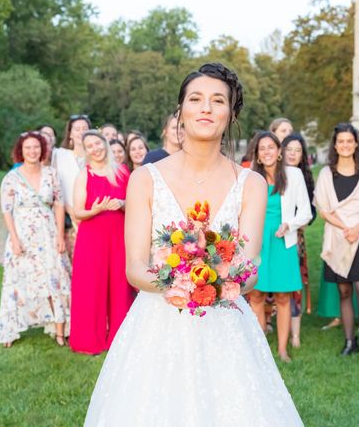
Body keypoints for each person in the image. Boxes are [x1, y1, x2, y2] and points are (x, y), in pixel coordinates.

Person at [84, 63, 304, 426]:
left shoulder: (251, 184)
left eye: (218, 101)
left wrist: (215, 283)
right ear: (180, 111)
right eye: (196, 99)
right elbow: (135, 267)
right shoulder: (144, 180)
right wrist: (183, 282)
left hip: (227, 328)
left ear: (230, 113)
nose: (206, 108)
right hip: (156, 327)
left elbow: (249, 268)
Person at [314, 123, 359, 365]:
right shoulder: (325, 174)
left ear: (356, 144)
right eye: (340, 141)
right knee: (344, 291)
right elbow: (323, 208)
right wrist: (345, 229)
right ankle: (349, 342)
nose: (345, 145)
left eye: (349, 141)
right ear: (335, 145)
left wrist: (356, 228)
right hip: (338, 236)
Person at [0, 132, 71, 348]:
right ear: (21, 150)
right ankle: (10, 329)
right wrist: (14, 239)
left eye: (36, 147)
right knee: (17, 279)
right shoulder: (12, 178)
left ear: (42, 150)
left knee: (55, 276)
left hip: (48, 234)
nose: (32, 151)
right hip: (22, 234)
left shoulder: (51, 174)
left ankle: (59, 329)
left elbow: (59, 204)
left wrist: (59, 235)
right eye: (28, 147)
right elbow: (6, 210)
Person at [249, 132, 312, 362]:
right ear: (256, 153)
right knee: (255, 294)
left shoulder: (293, 175)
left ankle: (283, 349)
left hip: (282, 240)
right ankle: (260, 348)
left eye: (271, 148)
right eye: (261, 148)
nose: (266, 152)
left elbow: (305, 212)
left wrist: (289, 224)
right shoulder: (250, 177)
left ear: (279, 152)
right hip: (257, 242)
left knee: (283, 296)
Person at [70, 130, 134, 355]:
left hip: (119, 236)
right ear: (85, 151)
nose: (95, 148)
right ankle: (89, 340)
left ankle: (118, 338)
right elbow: (78, 212)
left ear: (105, 143)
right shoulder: (84, 175)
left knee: (120, 286)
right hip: (92, 237)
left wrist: (122, 203)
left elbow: (135, 204)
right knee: (91, 286)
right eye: (89, 146)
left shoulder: (122, 171)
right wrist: (95, 209)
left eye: (97, 143)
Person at [281, 133, 315, 348]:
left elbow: (310, 211)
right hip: (275, 234)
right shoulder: (274, 176)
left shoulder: (305, 177)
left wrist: (296, 222)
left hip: (295, 236)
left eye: (297, 150)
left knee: (295, 284)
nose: (292, 153)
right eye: (289, 149)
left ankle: (295, 334)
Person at [53, 114, 91, 260]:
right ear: (70, 133)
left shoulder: (96, 155)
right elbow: (57, 187)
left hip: (92, 215)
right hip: (69, 217)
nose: (81, 132)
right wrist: (72, 211)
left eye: (84, 128)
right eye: (77, 129)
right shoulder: (60, 156)